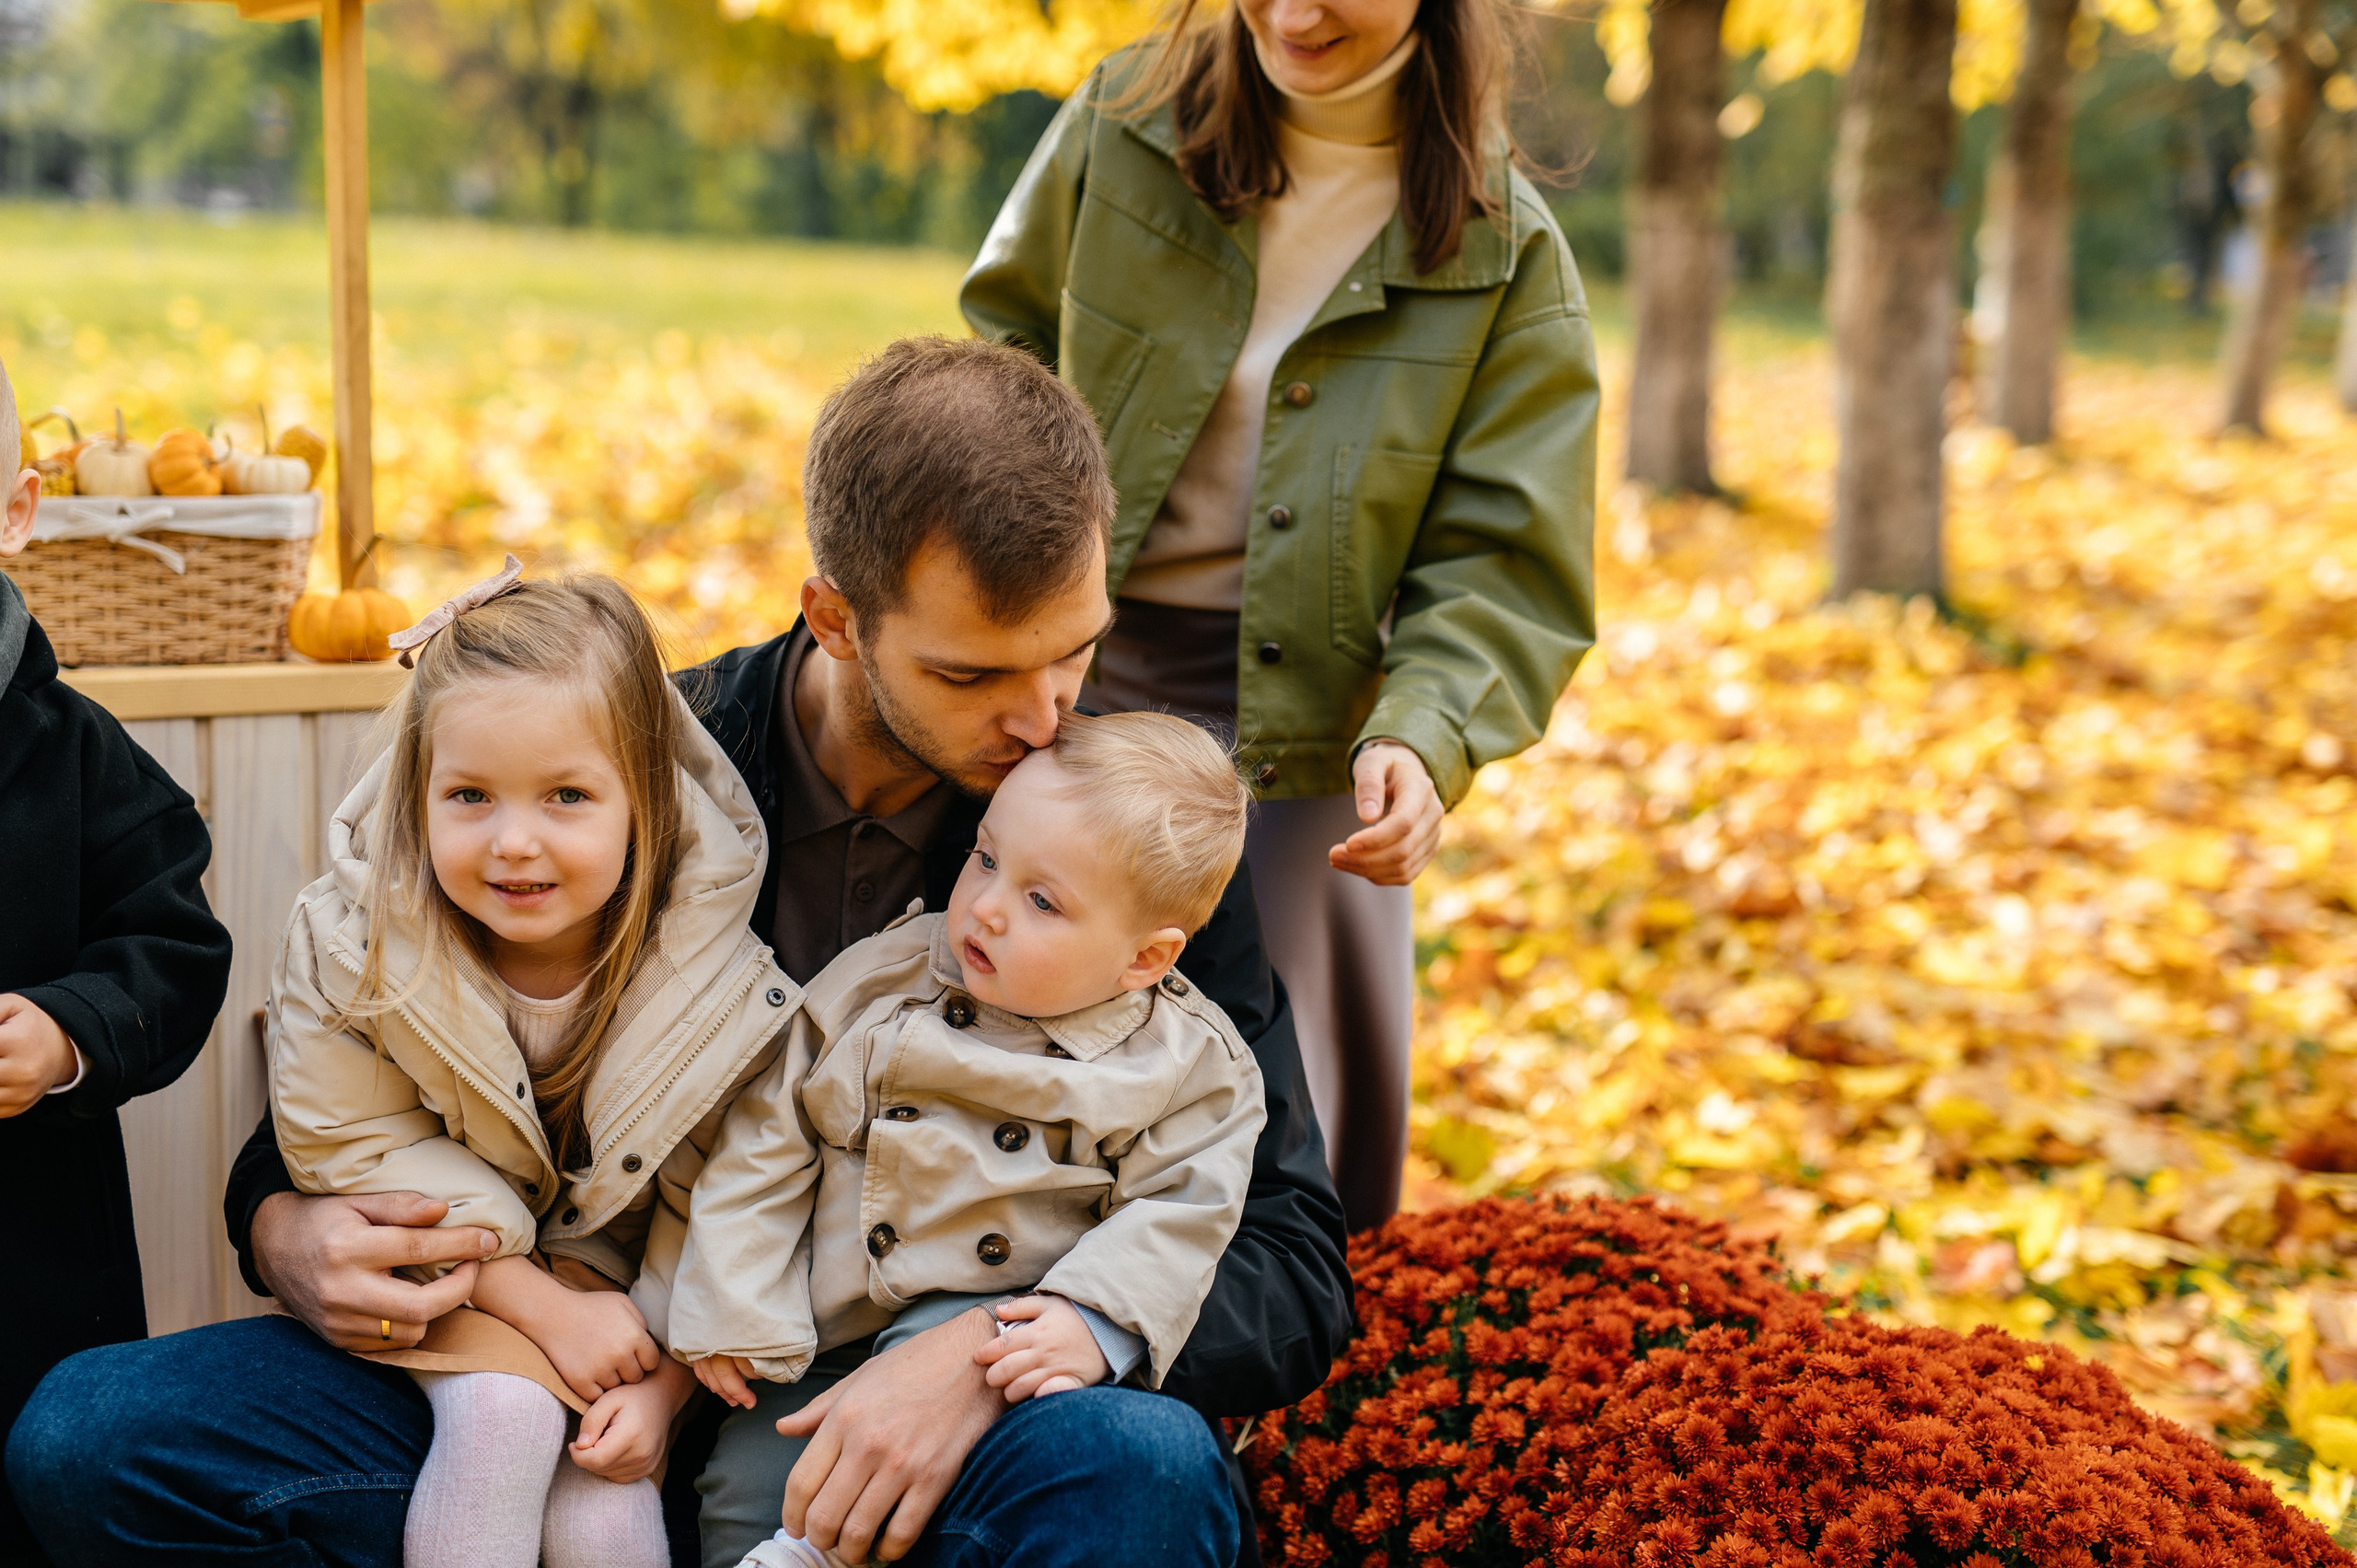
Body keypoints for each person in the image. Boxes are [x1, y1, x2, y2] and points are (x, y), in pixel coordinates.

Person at [8, 335, 1351, 1568]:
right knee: (91, 1434)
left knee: (1138, 1467)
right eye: (972, 674)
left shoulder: (1112, 834)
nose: (1044, 716)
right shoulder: (623, 765)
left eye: (1076, 650)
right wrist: (281, 1223)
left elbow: (1289, 1255)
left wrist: (970, 1362)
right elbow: (379, 1033)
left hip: (929, 1415)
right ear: (834, 616)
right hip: (570, 1370)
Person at [962, 0, 1598, 1231]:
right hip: (1066, 672)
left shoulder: (1503, 251)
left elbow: (1505, 560)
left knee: (1289, 1143)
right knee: (1002, 1046)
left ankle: (1267, 1411)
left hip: (1312, 731)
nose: (1295, 13)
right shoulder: (1124, 120)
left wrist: (1424, 729)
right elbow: (1001, 362)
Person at [264, 563, 800, 1568]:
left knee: (603, 1485)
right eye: (469, 794)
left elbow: (732, 1183)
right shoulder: (355, 944)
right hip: (452, 1281)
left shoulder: (711, 970)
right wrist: (536, 1301)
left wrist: (664, 1378)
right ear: (416, 793)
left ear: (643, 798)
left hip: (639, 1314)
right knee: (505, 1415)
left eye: (566, 795)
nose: (515, 842)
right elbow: (353, 1137)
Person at [672, 711, 1263, 1568]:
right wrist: (736, 1299)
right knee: (748, 1482)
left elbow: (1184, 1210)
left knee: (851, 1520)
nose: (984, 906)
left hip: (998, 1338)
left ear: (1144, 958)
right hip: (824, 1330)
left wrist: (1094, 1321)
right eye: (986, 857)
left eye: (1041, 900)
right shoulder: (885, 977)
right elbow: (770, 1130)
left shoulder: (1187, 1064)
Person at [0, 358, 236, 1565]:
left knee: (31, 1493)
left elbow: (175, 939)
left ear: (17, 509)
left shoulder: (76, 752)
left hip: (29, 1251)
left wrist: (68, 1030)